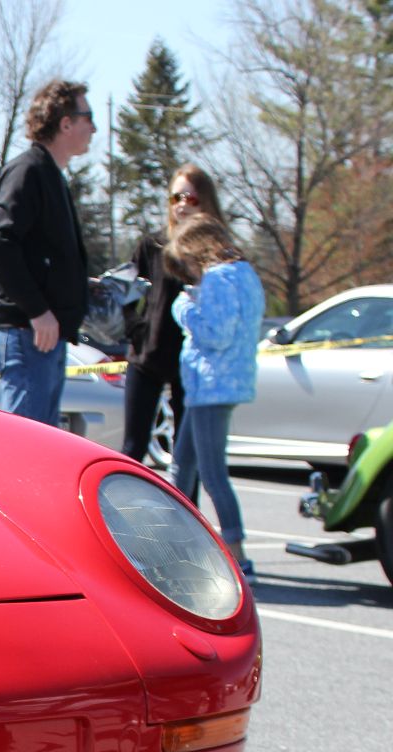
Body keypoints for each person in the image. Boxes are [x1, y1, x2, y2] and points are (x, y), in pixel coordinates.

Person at [0, 79, 96, 425]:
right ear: (66, 123)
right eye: (88, 117)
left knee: (41, 445)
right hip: (27, 334)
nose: (93, 128)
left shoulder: (51, 175)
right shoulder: (28, 171)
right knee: (24, 448)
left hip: (43, 337)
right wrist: (38, 311)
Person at [166, 215, 264, 577]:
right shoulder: (245, 274)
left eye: (189, 262)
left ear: (199, 251)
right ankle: (173, 545)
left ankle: (238, 555)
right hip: (220, 384)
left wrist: (184, 308)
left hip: (211, 384)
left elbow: (216, 334)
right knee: (182, 467)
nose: (190, 272)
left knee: (211, 474)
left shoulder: (219, 278)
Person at [121, 163, 226, 464]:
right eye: (176, 197)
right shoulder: (152, 245)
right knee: (133, 449)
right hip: (147, 356)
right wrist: (137, 329)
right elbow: (124, 294)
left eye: (190, 198)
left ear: (205, 201)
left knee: (187, 454)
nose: (182, 205)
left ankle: (184, 497)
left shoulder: (217, 251)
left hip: (191, 361)